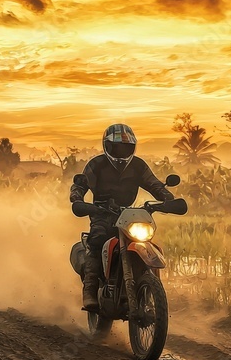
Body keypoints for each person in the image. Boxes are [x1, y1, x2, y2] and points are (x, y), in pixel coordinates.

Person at [70, 123, 174, 312]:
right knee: (97, 240)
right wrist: (77, 199)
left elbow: (154, 184)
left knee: (145, 239)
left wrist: (167, 199)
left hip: (129, 214)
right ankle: (90, 291)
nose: (121, 151)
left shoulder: (138, 165)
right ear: (107, 146)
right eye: (116, 147)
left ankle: (148, 289)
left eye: (126, 147)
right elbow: (80, 186)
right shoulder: (97, 164)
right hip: (101, 213)